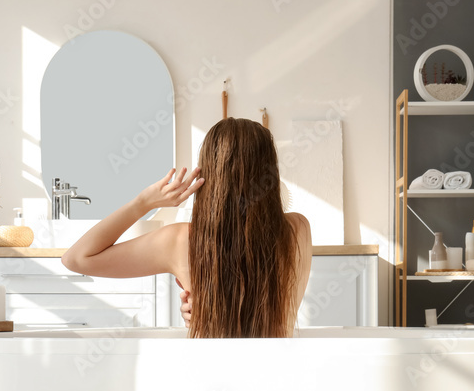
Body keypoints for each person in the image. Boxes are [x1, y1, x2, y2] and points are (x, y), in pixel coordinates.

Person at [62, 117, 312, 337]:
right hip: (276, 373)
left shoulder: (180, 240)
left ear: (208, 173)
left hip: (207, 373)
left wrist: (142, 203)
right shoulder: (297, 230)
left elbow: (77, 258)